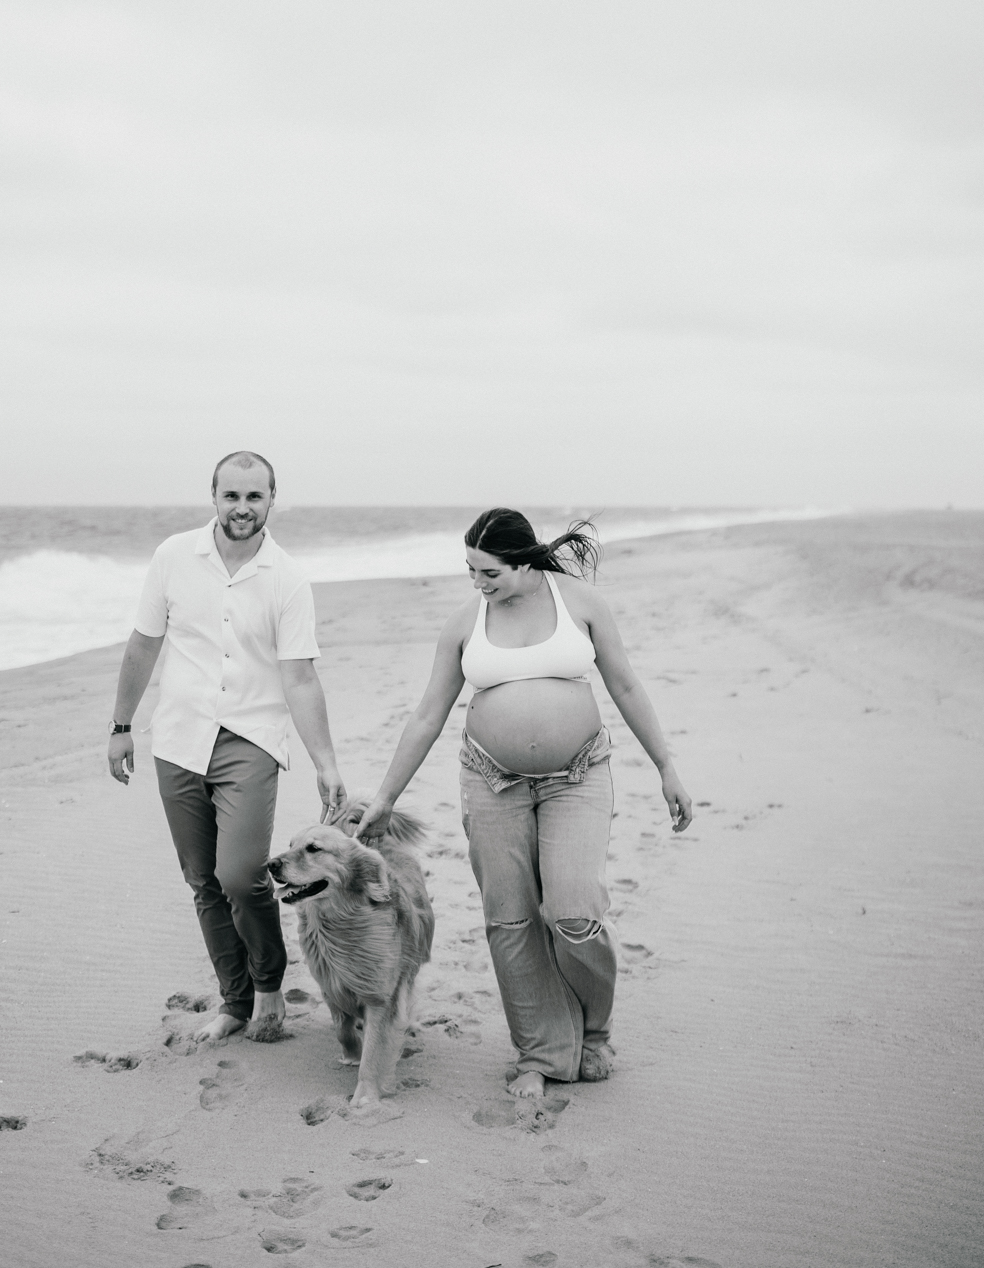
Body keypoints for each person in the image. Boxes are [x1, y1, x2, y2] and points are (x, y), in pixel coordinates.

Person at [355, 507, 691, 1098]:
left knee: (574, 915)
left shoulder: (581, 604)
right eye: (470, 572)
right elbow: (429, 713)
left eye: (489, 573)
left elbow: (626, 684)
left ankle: (593, 1029)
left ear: (525, 561)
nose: (478, 585)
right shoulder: (466, 622)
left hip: (579, 774)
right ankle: (540, 1054)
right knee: (509, 920)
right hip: (491, 780)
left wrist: (666, 765)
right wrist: (386, 797)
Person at [107, 451, 345, 1044]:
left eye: (255, 497)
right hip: (179, 737)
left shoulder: (287, 578)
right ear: (213, 496)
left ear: (271, 500)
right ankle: (235, 1002)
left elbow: (300, 677)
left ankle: (268, 982)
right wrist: (120, 726)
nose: (243, 508)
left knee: (240, 875)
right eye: (232, 496)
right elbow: (143, 644)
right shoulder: (172, 557)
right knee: (203, 881)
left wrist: (325, 762)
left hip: (250, 739)